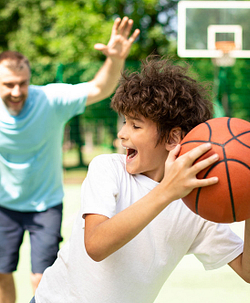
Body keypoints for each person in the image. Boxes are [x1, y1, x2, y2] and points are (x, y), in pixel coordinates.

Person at [32, 56, 249, 303]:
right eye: (125, 122)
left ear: (172, 138)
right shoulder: (109, 169)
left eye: (135, 126)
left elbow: (247, 270)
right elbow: (95, 245)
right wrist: (167, 191)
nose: (122, 134)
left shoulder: (195, 202)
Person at [0, 16, 140, 303]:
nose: (16, 92)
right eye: (8, 84)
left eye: (22, 84)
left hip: (45, 205)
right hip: (4, 206)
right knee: (2, 273)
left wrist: (114, 59)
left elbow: (99, 88)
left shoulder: (50, 100)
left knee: (41, 277)